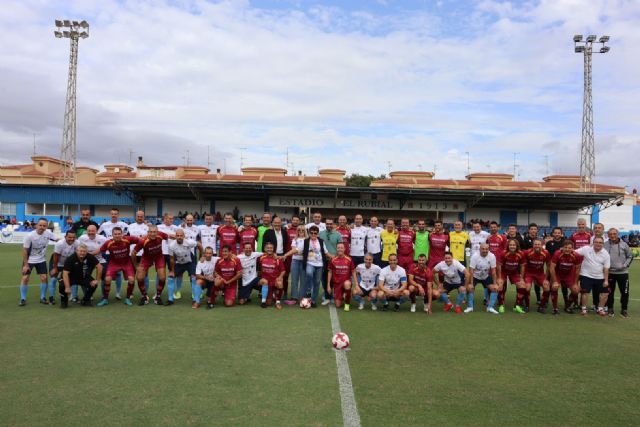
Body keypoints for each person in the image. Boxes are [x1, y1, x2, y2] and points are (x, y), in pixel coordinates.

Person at [19, 218, 58, 306]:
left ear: (46, 226)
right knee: (25, 278)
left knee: (44, 278)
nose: (42, 227)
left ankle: (43, 297)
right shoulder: (30, 236)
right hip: (29, 260)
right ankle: (23, 299)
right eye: (40, 225)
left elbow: (57, 239)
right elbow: (25, 250)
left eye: (44, 225)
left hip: (41, 260)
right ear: (37, 225)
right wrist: (26, 265)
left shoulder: (48, 233)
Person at [98, 227, 140, 306]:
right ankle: (105, 299)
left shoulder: (127, 239)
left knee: (131, 280)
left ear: (122, 234)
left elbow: (140, 241)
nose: (117, 236)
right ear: (112, 235)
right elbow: (101, 250)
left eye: (119, 234)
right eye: (115, 234)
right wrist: (90, 255)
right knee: (107, 279)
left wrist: (136, 249)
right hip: (113, 263)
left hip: (126, 263)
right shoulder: (108, 243)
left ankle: (127, 299)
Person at [130, 225, 169, 306]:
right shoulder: (143, 241)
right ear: (148, 232)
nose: (152, 234)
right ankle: (144, 297)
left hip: (159, 257)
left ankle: (158, 296)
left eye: (154, 232)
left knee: (162, 277)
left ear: (157, 232)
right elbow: (133, 253)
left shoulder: (161, 235)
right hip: (146, 258)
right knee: (139, 277)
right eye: (150, 232)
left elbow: (169, 237)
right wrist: (136, 266)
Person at [97, 208, 129, 299]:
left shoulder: (124, 225)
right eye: (112, 214)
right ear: (110, 215)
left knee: (118, 273)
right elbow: (98, 234)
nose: (114, 215)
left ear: (118, 215)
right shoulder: (104, 225)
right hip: (107, 252)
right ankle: (105, 295)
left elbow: (128, 235)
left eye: (116, 214)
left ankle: (117, 293)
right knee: (106, 273)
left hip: (118, 252)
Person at [575, 236, 611, 316]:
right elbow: (574, 252)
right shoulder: (586, 249)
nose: (598, 244)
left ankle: (600, 309)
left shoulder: (606, 254)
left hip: (600, 276)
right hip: (586, 275)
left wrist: (606, 280)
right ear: (593, 243)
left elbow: (606, 268)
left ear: (603, 244)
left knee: (605, 293)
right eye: (596, 242)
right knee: (585, 293)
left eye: (600, 242)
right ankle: (584, 309)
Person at [60, 244, 102, 308]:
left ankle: (85, 300)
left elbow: (99, 267)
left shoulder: (89, 257)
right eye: (80, 251)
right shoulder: (71, 258)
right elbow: (65, 273)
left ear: (86, 252)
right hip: (70, 277)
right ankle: (64, 302)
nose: (82, 253)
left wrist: (97, 280)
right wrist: (67, 287)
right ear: (77, 251)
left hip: (83, 276)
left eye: (84, 251)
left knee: (93, 284)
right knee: (62, 285)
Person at [604, 228, 633, 317]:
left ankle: (624, 309)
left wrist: (625, 265)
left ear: (618, 234)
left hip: (623, 273)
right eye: (610, 234)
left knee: (624, 292)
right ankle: (610, 308)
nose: (612, 235)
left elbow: (630, 256)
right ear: (608, 235)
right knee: (610, 292)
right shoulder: (605, 245)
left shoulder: (624, 244)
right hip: (610, 273)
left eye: (614, 234)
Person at [168, 229, 201, 305]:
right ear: (175, 236)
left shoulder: (189, 242)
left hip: (190, 262)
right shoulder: (171, 245)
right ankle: (170, 299)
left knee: (193, 278)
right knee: (170, 278)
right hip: (179, 262)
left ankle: (195, 298)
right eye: (178, 235)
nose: (179, 237)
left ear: (184, 236)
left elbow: (199, 245)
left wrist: (200, 257)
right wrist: (172, 271)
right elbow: (172, 259)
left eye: (181, 235)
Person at [516, 239, 550, 313]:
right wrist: (522, 277)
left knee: (547, 287)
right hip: (529, 274)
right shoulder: (527, 252)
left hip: (540, 274)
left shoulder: (546, 253)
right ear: (533, 245)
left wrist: (546, 279)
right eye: (535, 244)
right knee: (527, 287)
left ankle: (541, 306)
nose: (537, 246)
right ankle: (527, 306)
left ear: (542, 245)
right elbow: (522, 263)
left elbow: (548, 266)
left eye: (539, 244)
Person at [549, 240, 582, 314]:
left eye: (570, 248)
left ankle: (567, 306)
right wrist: (554, 281)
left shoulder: (576, 255)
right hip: (558, 274)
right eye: (565, 247)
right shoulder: (557, 253)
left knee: (576, 290)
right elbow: (552, 268)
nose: (567, 249)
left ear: (572, 248)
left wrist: (576, 283)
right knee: (554, 287)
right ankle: (555, 308)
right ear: (562, 248)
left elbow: (577, 270)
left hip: (569, 275)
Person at [301, 225, 329, 307]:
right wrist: (287, 254)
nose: (313, 234)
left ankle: (313, 300)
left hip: (319, 264)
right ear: (309, 233)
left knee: (317, 282)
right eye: (311, 233)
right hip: (310, 263)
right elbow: (298, 249)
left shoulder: (321, 241)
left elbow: (326, 252)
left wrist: (335, 257)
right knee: (309, 273)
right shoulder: (305, 241)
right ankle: (309, 291)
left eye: (315, 233)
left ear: (318, 234)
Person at [467, 243, 499, 314]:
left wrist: (495, 284)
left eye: (486, 249)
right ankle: (470, 307)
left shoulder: (492, 256)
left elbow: (493, 271)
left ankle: (490, 307)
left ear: (489, 249)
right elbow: (471, 271)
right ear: (480, 249)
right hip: (475, 276)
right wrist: (471, 283)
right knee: (469, 288)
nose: (485, 250)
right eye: (483, 249)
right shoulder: (475, 256)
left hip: (485, 276)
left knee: (495, 288)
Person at [78, 225, 107, 300]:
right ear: (86, 231)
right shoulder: (82, 238)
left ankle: (104, 296)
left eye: (93, 231)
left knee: (106, 277)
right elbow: (79, 249)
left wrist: (90, 255)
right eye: (89, 231)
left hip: (99, 260)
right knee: (83, 276)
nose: (91, 232)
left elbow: (102, 249)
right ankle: (88, 295)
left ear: (96, 231)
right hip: (86, 260)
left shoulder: (102, 238)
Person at [49, 230, 78, 305]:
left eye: (73, 237)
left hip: (69, 263)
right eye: (69, 237)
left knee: (73, 278)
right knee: (53, 279)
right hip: (57, 262)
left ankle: (74, 297)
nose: (71, 239)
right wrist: (55, 268)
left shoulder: (77, 243)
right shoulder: (60, 244)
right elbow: (56, 256)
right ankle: (51, 297)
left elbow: (77, 255)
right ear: (65, 237)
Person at [497, 239, 525, 313]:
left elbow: (522, 266)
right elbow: (499, 266)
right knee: (500, 285)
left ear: (517, 246)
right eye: (510, 245)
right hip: (503, 272)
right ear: (508, 246)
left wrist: (521, 278)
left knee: (522, 286)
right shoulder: (503, 253)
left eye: (514, 245)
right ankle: (501, 305)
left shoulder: (520, 254)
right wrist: (499, 278)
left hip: (514, 272)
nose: (512, 246)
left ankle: (517, 306)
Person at [327, 242, 357, 311]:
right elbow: (330, 272)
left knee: (347, 284)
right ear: (336, 249)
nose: (340, 249)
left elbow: (353, 271)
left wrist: (356, 284)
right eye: (338, 248)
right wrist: (328, 285)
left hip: (346, 283)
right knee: (337, 305)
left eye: (341, 248)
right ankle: (345, 295)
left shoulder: (349, 259)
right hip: (337, 284)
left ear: (344, 249)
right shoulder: (333, 259)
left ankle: (347, 304)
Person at [319, 219, 341, 305]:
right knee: (324, 279)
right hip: (323, 260)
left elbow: (340, 247)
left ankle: (335, 294)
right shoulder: (321, 234)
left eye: (330, 224)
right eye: (327, 224)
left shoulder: (338, 234)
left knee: (334, 279)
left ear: (333, 224)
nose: (329, 225)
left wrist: (337, 258)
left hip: (335, 260)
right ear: (325, 224)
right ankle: (327, 296)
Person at [257, 243, 284, 309]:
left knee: (280, 283)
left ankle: (277, 302)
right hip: (266, 282)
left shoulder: (277, 259)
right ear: (265, 249)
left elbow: (283, 271)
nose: (269, 249)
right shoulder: (261, 258)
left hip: (274, 281)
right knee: (268, 303)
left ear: (273, 249)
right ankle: (264, 301)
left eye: (271, 248)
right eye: (268, 248)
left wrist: (280, 277)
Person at [128, 210, 150, 293]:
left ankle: (145, 293)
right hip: (132, 254)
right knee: (131, 274)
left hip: (144, 254)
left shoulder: (148, 228)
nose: (140, 218)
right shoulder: (130, 226)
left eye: (141, 216)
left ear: (143, 217)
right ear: (135, 217)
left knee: (145, 274)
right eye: (138, 216)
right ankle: (130, 293)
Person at [285, 225, 306, 302]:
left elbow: (305, 251)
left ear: (305, 231)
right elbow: (294, 250)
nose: (301, 232)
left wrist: (298, 251)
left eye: (302, 230)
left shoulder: (307, 240)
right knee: (294, 279)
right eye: (299, 230)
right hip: (295, 261)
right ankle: (294, 296)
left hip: (304, 262)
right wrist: (300, 251)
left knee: (303, 280)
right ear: (297, 231)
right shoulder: (294, 240)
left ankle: (301, 297)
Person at [283, 216, 301, 303]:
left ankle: (299, 295)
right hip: (288, 257)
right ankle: (285, 292)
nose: (295, 221)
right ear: (291, 221)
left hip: (298, 258)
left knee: (299, 277)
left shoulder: (302, 231)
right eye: (294, 220)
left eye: (297, 220)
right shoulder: (287, 230)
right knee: (285, 275)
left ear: (299, 221)